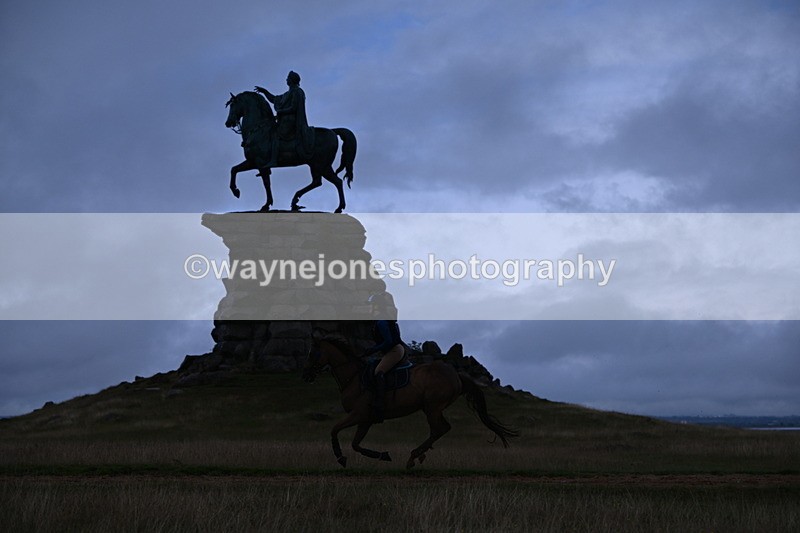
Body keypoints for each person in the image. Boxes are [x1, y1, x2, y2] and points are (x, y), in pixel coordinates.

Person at [254, 71, 314, 165]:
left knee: (274, 134)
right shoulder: (287, 93)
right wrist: (264, 92)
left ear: (292, 80)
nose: (286, 79)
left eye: (288, 78)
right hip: (285, 121)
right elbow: (274, 99)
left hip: (291, 121)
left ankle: (273, 160)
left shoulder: (297, 91)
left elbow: (293, 108)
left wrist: (281, 111)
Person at [363, 293, 405, 422]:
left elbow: (388, 341)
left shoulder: (381, 322)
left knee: (378, 372)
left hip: (394, 350)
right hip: (389, 351)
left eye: (371, 305)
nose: (369, 308)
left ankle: (380, 404)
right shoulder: (378, 321)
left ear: (376, 306)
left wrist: (373, 350)